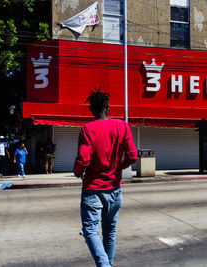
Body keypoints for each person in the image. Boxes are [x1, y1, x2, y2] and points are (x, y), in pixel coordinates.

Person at [73, 89, 137, 267]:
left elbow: (83, 159)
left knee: (90, 230)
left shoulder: (87, 130)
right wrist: (118, 168)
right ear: (108, 108)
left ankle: (104, 265)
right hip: (114, 190)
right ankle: (108, 264)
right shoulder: (122, 126)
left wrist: (77, 171)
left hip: (93, 189)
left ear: (91, 110)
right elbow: (132, 157)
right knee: (109, 231)